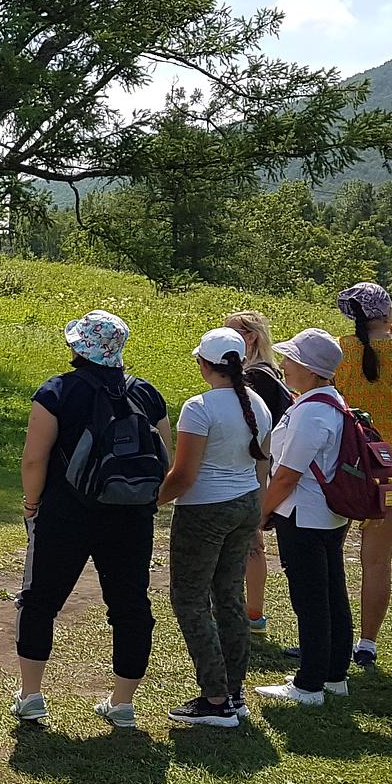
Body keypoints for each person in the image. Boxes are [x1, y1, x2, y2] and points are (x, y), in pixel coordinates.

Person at [11, 310, 171, 728]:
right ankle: (122, 703)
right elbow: (164, 459)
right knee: (130, 605)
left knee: (41, 600)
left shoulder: (57, 391)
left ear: (77, 347)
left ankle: (31, 696)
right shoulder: (146, 393)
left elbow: (34, 460)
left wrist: (31, 505)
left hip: (66, 513)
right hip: (132, 516)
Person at [159, 328, 272, 728]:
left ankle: (216, 698)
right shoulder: (257, 403)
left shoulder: (199, 407)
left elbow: (183, 476)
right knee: (229, 597)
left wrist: (150, 502)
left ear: (205, 365)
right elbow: (260, 465)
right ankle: (233, 694)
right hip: (245, 504)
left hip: (205, 510)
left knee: (190, 599)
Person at [256, 328, 354, 706]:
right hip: (327, 514)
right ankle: (333, 675)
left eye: (291, 360)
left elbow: (287, 475)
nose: (284, 365)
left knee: (311, 599)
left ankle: (309, 684)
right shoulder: (331, 401)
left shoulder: (311, 411)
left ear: (311, 370)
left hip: (303, 514)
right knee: (331, 593)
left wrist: (262, 513)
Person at [333, 282, 392, 670]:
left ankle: (327, 635)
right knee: (377, 560)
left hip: (349, 459)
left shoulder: (339, 350)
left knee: (329, 552)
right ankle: (367, 643)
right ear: (386, 313)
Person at [223, 310, 292, 635]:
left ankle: (248, 613)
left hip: (252, 469)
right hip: (264, 467)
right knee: (251, 543)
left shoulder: (256, 377)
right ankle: (251, 612)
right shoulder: (271, 372)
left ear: (250, 337)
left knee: (247, 543)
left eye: (233, 331)